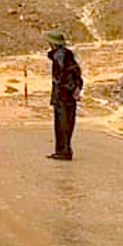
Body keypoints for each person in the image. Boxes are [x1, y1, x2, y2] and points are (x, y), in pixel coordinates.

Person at [47, 29, 83, 160]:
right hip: (70, 94)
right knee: (68, 122)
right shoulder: (69, 54)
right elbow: (77, 73)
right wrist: (77, 88)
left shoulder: (59, 55)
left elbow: (60, 76)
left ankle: (63, 151)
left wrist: (63, 89)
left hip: (62, 94)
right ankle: (65, 149)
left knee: (61, 123)